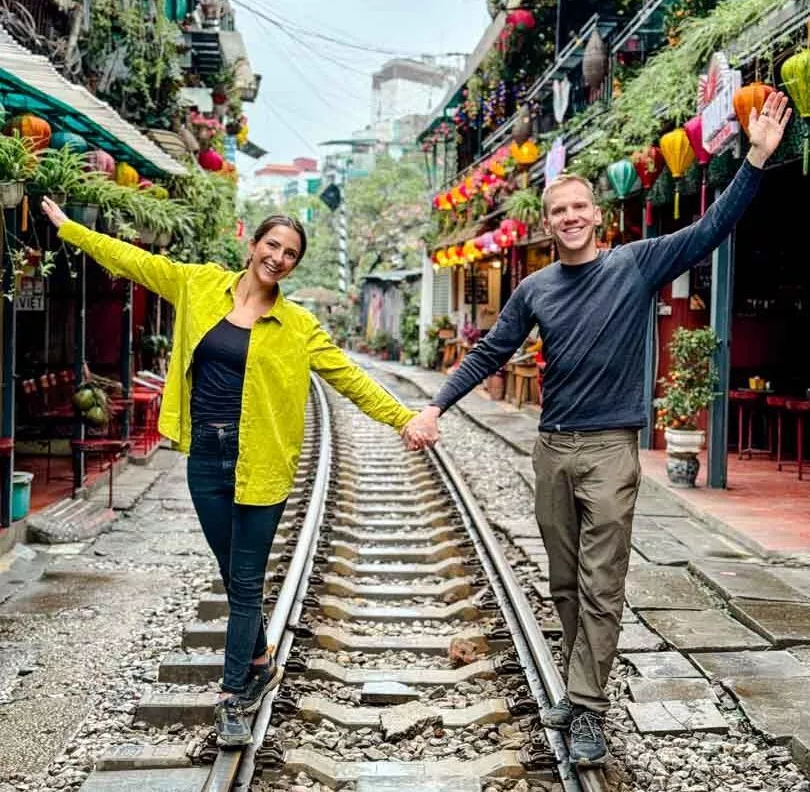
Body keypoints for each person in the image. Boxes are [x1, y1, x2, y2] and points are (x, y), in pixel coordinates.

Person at [403, 92, 791, 766]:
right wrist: (438, 404)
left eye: (579, 207)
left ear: (597, 215)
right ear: (548, 223)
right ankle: (584, 686)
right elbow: (492, 351)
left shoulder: (634, 264)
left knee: (602, 579)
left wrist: (755, 157)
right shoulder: (535, 289)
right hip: (552, 446)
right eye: (559, 211)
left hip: (611, 448)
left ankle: (586, 704)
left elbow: (709, 229)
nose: (570, 217)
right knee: (562, 581)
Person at [41, 199, 429, 748]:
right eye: (272, 246)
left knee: (245, 582)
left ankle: (233, 696)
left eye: (290, 254)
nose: (278, 258)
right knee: (232, 574)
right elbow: (133, 262)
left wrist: (405, 419)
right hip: (206, 458)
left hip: (262, 462)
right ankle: (261, 659)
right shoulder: (199, 285)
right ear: (253, 247)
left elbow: (351, 380)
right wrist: (72, 229)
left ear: (294, 265)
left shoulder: (298, 327)